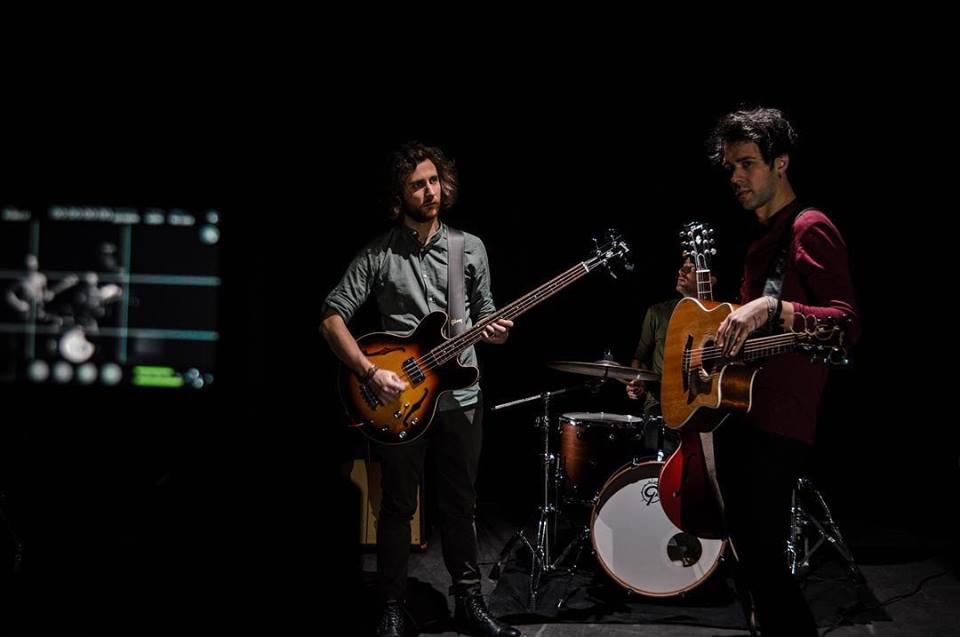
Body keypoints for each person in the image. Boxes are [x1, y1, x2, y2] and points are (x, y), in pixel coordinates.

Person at [320, 141, 519, 637]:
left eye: (434, 181)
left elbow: (486, 311)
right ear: (399, 195)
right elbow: (331, 317)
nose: (430, 191)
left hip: (461, 396)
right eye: (417, 185)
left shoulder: (469, 247)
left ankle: (469, 602)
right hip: (401, 400)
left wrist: (496, 331)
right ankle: (391, 604)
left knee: (461, 505)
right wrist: (370, 372)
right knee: (398, 508)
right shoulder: (379, 253)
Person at [707, 107, 859, 636]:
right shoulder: (763, 242)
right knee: (749, 563)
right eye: (730, 167)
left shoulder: (809, 227)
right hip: (745, 412)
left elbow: (845, 323)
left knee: (766, 564)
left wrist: (774, 307)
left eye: (747, 163)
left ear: (781, 163)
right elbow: (753, 335)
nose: (736, 177)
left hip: (780, 421)